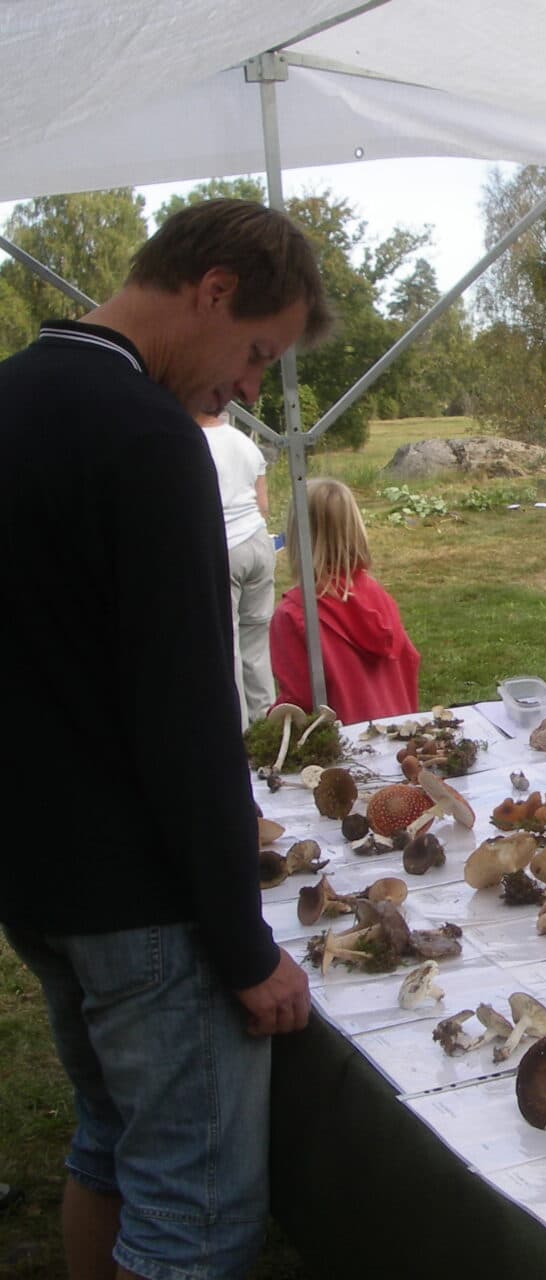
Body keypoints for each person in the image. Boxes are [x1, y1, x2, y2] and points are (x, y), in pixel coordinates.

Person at [0, 199, 329, 1279]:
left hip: (38, 878)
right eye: (255, 353)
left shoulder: (13, 394)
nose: (246, 386)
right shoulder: (149, 440)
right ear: (215, 289)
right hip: (142, 901)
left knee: (108, 1140)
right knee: (191, 1216)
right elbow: (186, 713)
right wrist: (243, 945)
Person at [270, 477, 420, 724]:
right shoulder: (377, 596)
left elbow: (297, 707)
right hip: (398, 740)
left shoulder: (293, 615)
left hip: (342, 751)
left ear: (297, 535)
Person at [199, 409, 277, 727]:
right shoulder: (245, 442)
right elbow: (264, 506)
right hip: (258, 543)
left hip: (223, 545)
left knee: (227, 645)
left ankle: (239, 731)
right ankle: (269, 727)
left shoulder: (194, 442)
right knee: (256, 641)